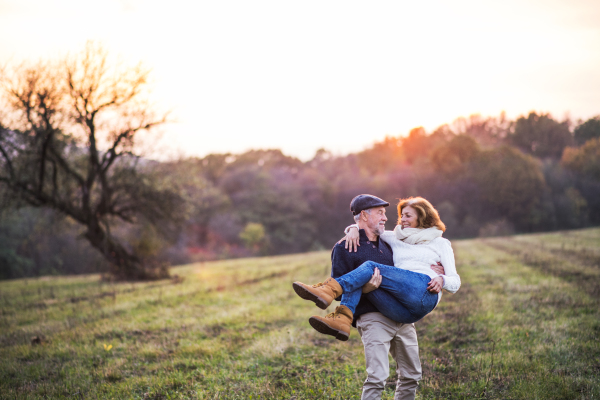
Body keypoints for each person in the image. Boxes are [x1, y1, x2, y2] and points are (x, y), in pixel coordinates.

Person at [293, 194, 452, 400]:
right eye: (380, 213)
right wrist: (366, 289)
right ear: (364, 216)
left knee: (412, 376)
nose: (386, 218)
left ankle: (326, 290)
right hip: (372, 318)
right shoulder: (344, 247)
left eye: (385, 213)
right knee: (377, 378)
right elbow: (343, 293)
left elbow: (410, 265)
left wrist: (438, 272)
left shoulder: (390, 244)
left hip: (401, 315)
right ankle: (330, 298)